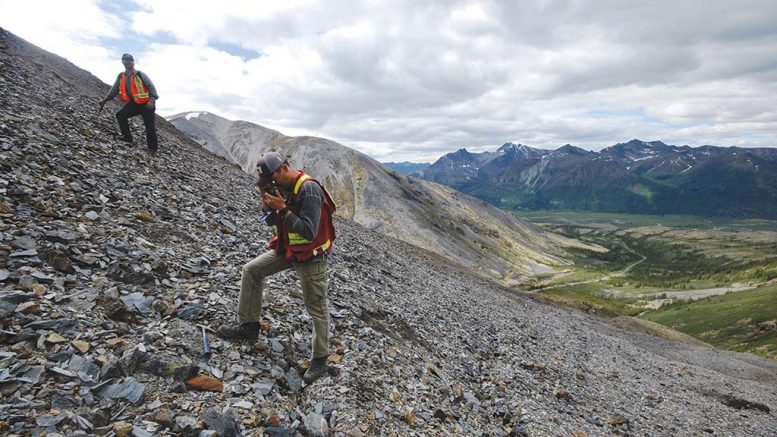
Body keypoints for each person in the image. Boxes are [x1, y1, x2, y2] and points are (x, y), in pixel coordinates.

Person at [218, 151, 337, 384]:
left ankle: (320, 359)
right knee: (252, 270)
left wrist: (282, 208)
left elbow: (308, 231)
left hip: (312, 255)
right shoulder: (283, 187)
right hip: (289, 248)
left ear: (283, 168)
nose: (272, 184)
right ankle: (248, 326)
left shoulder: (309, 189)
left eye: (273, 179)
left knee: (316, 306)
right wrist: (268, 206)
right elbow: (274, 222)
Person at [98, 53, 159, 154]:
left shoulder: (140, 74)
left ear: (133, 62)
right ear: (122, 62)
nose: (127, 62)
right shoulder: (121, 76)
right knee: (120, 115)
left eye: (129, 60)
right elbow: (114, 90)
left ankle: (152, 148)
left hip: (147, 104)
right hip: (134, 103)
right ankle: (127, 137)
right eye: (125, 60)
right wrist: (105, 100)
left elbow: (152, 87)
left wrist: (152, 100)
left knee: (149, 126)